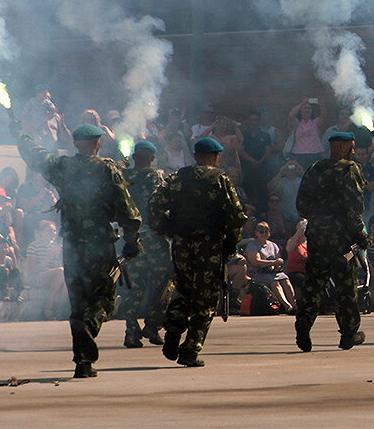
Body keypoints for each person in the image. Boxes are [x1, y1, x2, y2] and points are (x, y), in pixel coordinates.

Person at [17, 123, 140, 378]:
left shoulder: (63, 166)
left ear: (75, 143)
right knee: (104, 300)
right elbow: (127, 209)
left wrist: (23, 135)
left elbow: (36, 155)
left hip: (72, 244)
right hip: (99, 243)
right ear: (97, 143)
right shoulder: (107, 168)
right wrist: (132, 239)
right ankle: (90, 329)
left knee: (78, 303)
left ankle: (83, 361)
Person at [150, 137, 248, 368]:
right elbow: (235, 215)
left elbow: (155, 202)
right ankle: (190, 350)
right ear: (215, 157)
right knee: (205, 300)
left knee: (184, 290)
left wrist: (165, 228)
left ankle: (174, 326)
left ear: (195, 156)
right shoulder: (219, 179)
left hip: (182, 244)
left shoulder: (178, 178)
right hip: (209, 246)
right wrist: (232, 243)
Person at [294, 131, 368, 352]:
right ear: (344, 147)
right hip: (341, 239)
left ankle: (304, 322)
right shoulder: (349, 170)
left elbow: (301, 205)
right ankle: (348, 333)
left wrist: (319, 218)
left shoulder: (315, 168)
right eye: (352, 147)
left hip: (317, 236)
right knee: (346, 286)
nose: (353, 152)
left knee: (314, 282)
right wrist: (361, 236)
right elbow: (354, 208)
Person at [119, 140, 170, 348]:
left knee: (134, 286)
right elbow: (161, 204)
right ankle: (153, 324)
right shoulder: (155, 176)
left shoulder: (124, 177)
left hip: (132, 237)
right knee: (164, 282)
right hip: (153, 237)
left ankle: (131, 332)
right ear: (152, 157)